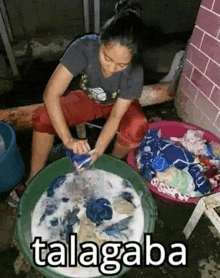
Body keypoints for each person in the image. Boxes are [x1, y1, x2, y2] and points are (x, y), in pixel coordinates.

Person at [8, 0, 148, 207]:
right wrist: (68, 140)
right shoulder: (84, 47)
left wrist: (98, 150)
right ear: (100, 42)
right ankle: (33, 179)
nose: (110, 68)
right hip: (87, 98)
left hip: (115, 104)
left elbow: (117, 116)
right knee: (43, 116)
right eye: (106, 58)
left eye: (121, 65)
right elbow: (51, 95)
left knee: (137, 125)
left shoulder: (135, 72)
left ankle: (110, 166)